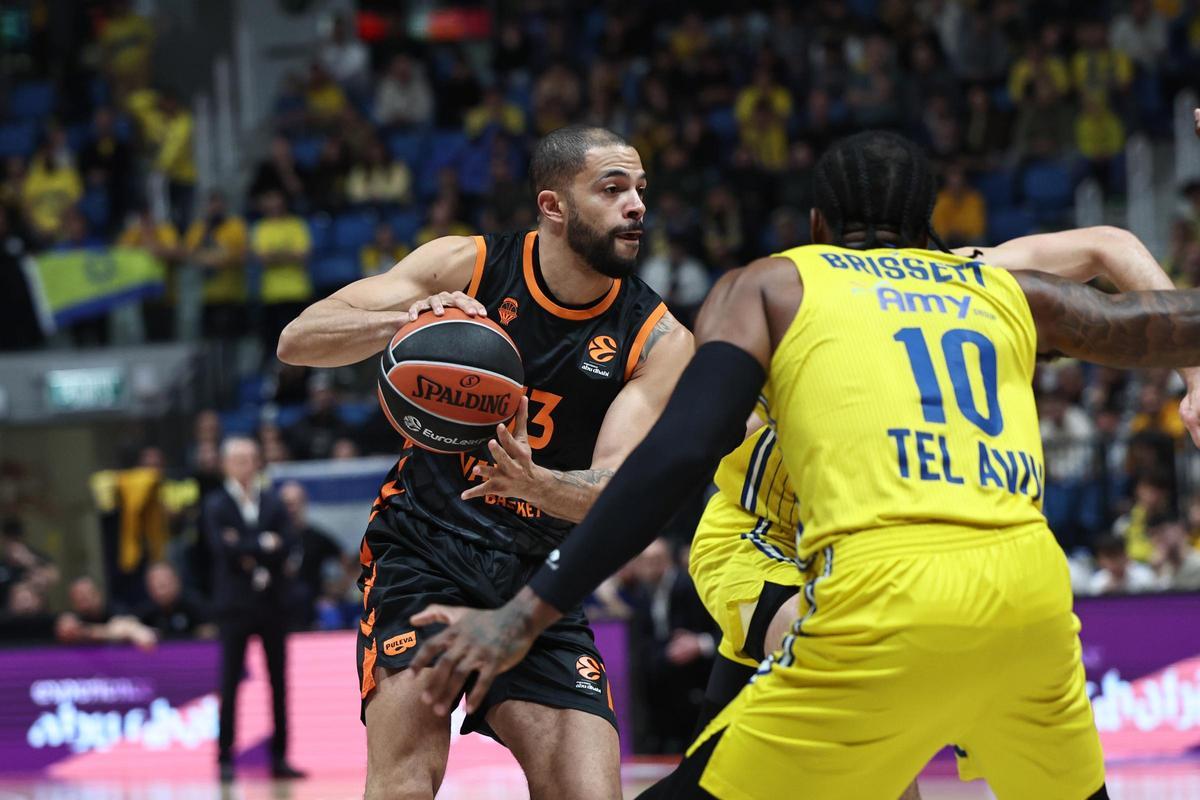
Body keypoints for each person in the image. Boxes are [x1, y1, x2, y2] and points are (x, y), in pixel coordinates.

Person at [411, 129, 1200, 799]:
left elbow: (674, 458)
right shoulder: (996, 286)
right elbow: (1155, 317)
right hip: (1013, 592)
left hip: (875, 579)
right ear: (930, 225)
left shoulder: (779, 285)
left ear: (818, 222)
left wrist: (526, 611)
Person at [276, 125, 693, 800]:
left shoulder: (660, 338)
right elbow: (298, 340)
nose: (637, 205)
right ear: (554, 206)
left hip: (541, 579)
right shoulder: (466, 263)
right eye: (613, 189)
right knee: (406, 781)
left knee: (588, 793)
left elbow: (622, 492)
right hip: (423, 548)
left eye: (640, 189)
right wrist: (413, 323)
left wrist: (539, 484)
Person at [204, 437, 304, 783]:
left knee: (279, 682)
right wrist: (264, 543)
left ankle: (280, 757)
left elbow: (288, 543)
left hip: (272, 604)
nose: (245, 465)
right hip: (234, 607)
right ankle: (225, 758)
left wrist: (247, 546)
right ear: (226, 464)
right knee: (229, 682)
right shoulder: (217, 504)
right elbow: (223, 549)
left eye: (250, 458)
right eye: (238, 459)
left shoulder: (273, 501)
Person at [278, 481, 344, 630]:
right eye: (287, 503)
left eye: (296, 503)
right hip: (279, 604)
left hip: (313, 604)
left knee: (331, 613)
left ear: (305, 503)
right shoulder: (273, 538)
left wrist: (335, 591)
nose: (291, 509)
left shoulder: (316, 537)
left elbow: (348, 562)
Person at [135, 561, 215, 639]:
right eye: (157, 585)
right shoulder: (146, 610)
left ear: (177, 581)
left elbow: (212, 628)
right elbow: (129, 623)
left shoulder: (195, 604)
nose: (162, 591)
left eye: (165, 584)